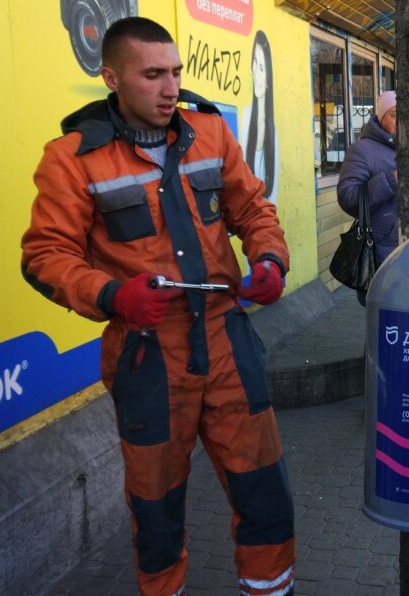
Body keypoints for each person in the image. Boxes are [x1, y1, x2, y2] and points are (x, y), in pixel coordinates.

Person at [21, 18, 294, 596]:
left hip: (226, 338)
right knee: (156, 510)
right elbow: (44, 257)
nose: (170, 87)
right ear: (112, 77)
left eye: (175, 72)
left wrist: (269, 260)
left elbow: (253, 210)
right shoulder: (72, 159)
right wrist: (112, 295)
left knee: (265, 491)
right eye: (152, 75)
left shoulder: (210, 132)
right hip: (146, 354)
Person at [336, 90, 398, 302]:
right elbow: (348, 196)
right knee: (383, 321)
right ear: (381, 117)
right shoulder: (362, 150)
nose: (400, 121)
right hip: (381, 252)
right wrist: (391, 180)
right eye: (394, 114)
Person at [244, 30, 276, 200]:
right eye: (254, 63)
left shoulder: (275, 132)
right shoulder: (245, 119)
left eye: (262, 67)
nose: (256, 72)